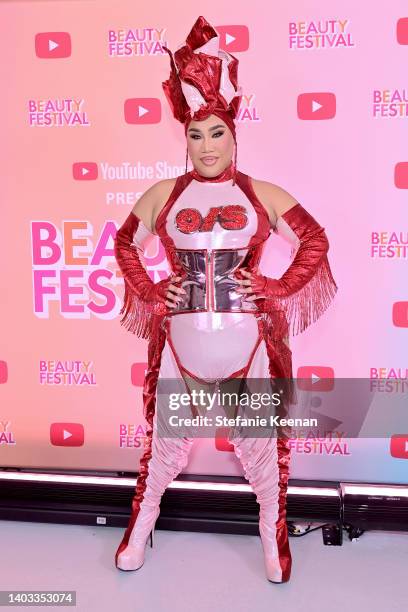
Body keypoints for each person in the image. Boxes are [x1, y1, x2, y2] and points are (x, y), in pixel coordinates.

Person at [113, 16, 338, 583]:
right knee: (163, 452)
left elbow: (314, 238)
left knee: (262, 453)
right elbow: (123, 243)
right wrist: (146, 289)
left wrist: (282, 288)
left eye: (216, 133)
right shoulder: (165, 195)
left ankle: (273, 541)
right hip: (182, 351)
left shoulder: (262, 194)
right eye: (196, 134)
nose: (206, 145)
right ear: (184, 136)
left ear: (234, 134)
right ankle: (138, 534)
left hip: (250, 350)